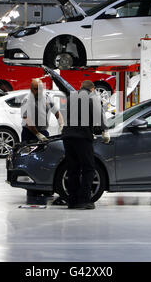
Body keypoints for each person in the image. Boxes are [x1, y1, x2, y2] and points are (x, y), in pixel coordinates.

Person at [61, 80, 110, 210]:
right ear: (92, 89)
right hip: (82, 137)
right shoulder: (92, 98)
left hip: (67, 136)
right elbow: (99, 116)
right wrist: (104, 131)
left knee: (73, 169)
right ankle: (84, 200)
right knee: (88, 168)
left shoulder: (71, 98)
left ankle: (72, 201)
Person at [21, 79, 64, 143]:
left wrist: (61, 124)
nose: (39, 91)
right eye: (36, 89)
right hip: (29, 133)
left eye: (40, 89)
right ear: (31, 89)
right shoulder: (26, 100)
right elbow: (27, 120)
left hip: (43, 132)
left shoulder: (47, 98)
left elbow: (56, 112)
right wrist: (37, 134)